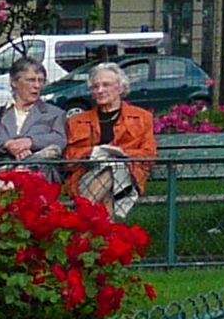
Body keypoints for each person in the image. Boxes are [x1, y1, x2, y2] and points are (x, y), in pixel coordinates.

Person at [64, 61, 158, 215]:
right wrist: (92, 152)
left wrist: (122, 153)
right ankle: (107, 235)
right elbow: (68, 158)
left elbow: (149, 155)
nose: (100, 90)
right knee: (107, 190)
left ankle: (79, 218)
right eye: (95, 87)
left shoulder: (142, 117)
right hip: (86, 176)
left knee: (114, 166)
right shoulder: (77, 121)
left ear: (120, 88)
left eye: (106, 85)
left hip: (127, 177)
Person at [0, 58, 66, 171]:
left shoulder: (55, 114)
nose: (37, 85)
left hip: (38, 176)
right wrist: (7, 144)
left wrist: (29, 142)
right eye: (31, 80)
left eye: (41, 81)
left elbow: (60, 140)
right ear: (14, 82)